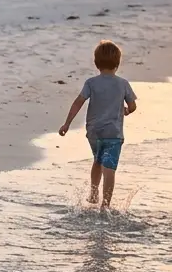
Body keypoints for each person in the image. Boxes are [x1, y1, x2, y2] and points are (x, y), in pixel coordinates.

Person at [58, 40, 138, 209]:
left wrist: (67, 124)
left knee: (98, 160)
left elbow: (78, 102)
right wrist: (126, 111)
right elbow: (132, 106)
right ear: (117, 63)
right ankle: (105, 205)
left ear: (96, 63)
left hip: (94, 132)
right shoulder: (123, 84)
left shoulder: (91, 83)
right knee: (109, 167)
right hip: (113, 133)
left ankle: (94, 193)